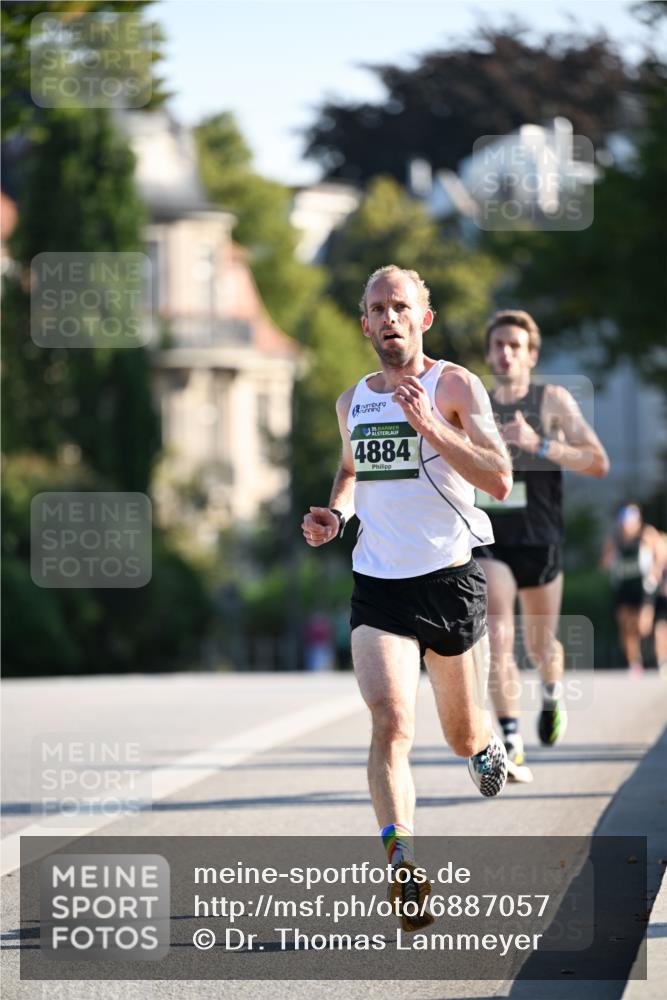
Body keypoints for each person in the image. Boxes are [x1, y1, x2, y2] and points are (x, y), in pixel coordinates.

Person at [301, 265, 513, 931]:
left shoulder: (454, 385)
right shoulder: (351, 401)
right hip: (378, 588)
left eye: (399, 306)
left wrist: (434, 428)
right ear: (363, 324)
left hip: (449, 581)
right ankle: (402, 863)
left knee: (458, 735)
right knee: (391, 720)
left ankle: (484, 742)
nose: (387, 318)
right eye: (375, 308)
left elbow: (500, 477)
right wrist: (335, 515)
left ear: (422, 318)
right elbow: (349, 467)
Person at [474, 310, 609, 783]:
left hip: (540, 539)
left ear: (532, 354)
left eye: (515, 345)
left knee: (539, 643)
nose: (505, 353)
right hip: (489, 539)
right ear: (488, 353)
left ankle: (551, 694)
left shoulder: (551, 401)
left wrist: (541, 444)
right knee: (497, 633)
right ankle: (510, 741)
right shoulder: (473, 405)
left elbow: (597, 462)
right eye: (497, 345)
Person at [601, 503, 661, 675]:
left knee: (642, 626)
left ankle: (652, 652)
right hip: (623, 586)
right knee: (625, 626)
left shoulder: (647, 534)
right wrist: (609, 559)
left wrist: (654, 574)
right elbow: (604, 563)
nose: (627, 526)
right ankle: (634, 662)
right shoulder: (615, 538)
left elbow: (661, 554)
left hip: (643, 586)